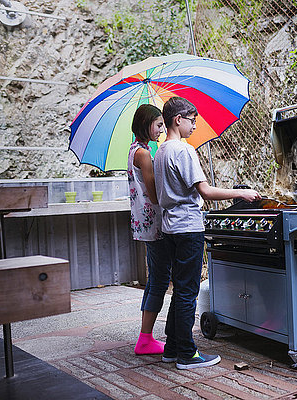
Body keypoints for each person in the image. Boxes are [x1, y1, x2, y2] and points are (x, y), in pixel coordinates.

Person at [154, 96, 261, 370]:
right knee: (188, 290)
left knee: (180, 289)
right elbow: (205, 191)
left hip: (169, 228)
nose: (194, 126)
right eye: (192, 121)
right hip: (188, 226)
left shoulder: (160, 151)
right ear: (178, 119)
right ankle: (187, 354)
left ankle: (171, 348)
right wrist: (241, 193)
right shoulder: (183, 150)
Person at [127, 104, 171, 355]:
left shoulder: (136, 150)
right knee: (160, 279)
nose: (162, 130)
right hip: (154, 222)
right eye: (158, 125)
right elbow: (154, 195)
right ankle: (145, 339)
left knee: (156, 277)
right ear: (146, 125)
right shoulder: (143, 153)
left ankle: (146, 337)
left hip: (144, 223)